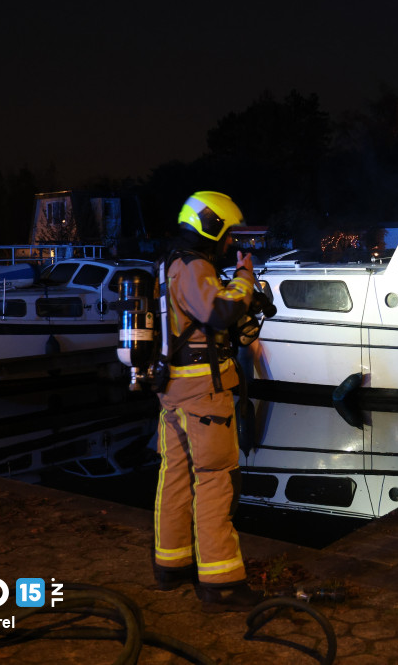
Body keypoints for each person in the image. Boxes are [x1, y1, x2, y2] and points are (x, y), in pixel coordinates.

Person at [151, 191, 262, 611]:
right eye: (228, 234)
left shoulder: (167, 265)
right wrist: (246, 279)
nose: (230, 243)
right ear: (211, 226)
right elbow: (219, 311)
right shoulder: (195, 265)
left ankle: (172, 565)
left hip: (173, 391)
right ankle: (222, 584)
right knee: (216, 480)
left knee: (175, 478)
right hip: (203, 395)